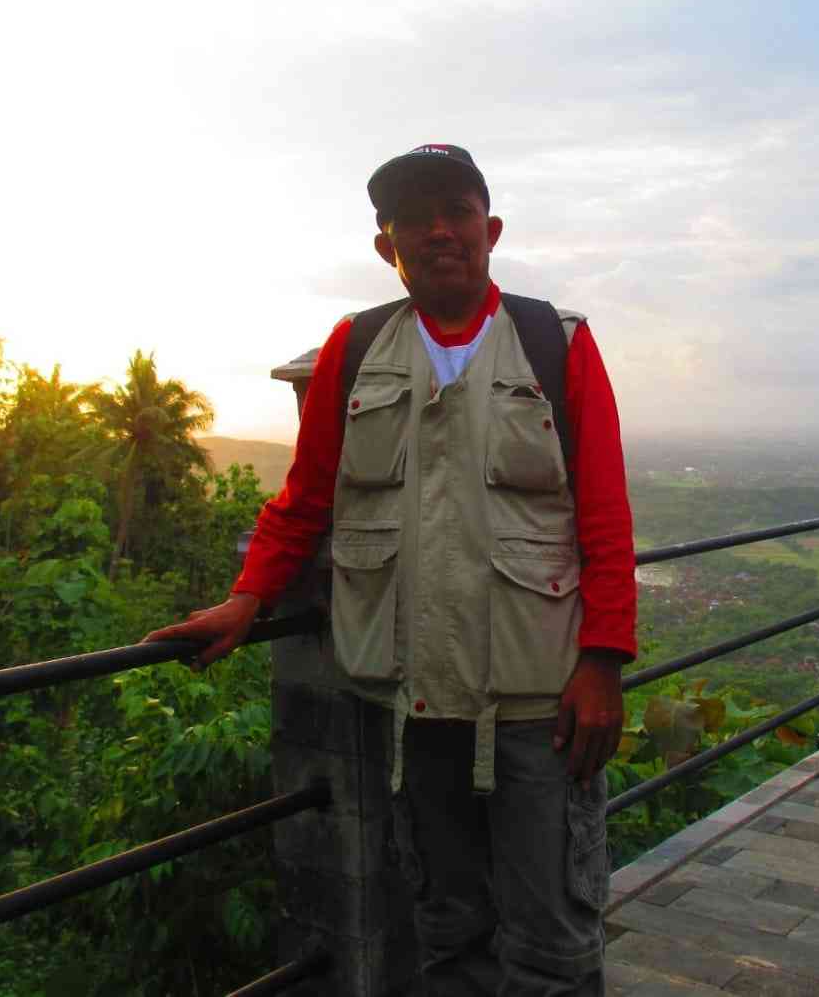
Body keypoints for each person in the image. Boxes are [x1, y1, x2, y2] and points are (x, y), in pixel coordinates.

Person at [145, 144, 637, 996]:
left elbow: (604, 514)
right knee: (448, 932)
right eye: (417, 218)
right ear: (388, 245)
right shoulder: (360, 346)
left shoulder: (555, 344)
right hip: (412, 705)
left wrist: (602, 664)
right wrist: (245, 600)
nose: (441, 231)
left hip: (537, 702)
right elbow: (306, 500)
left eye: (459, 210)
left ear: (493, 228)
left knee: (553, 937)